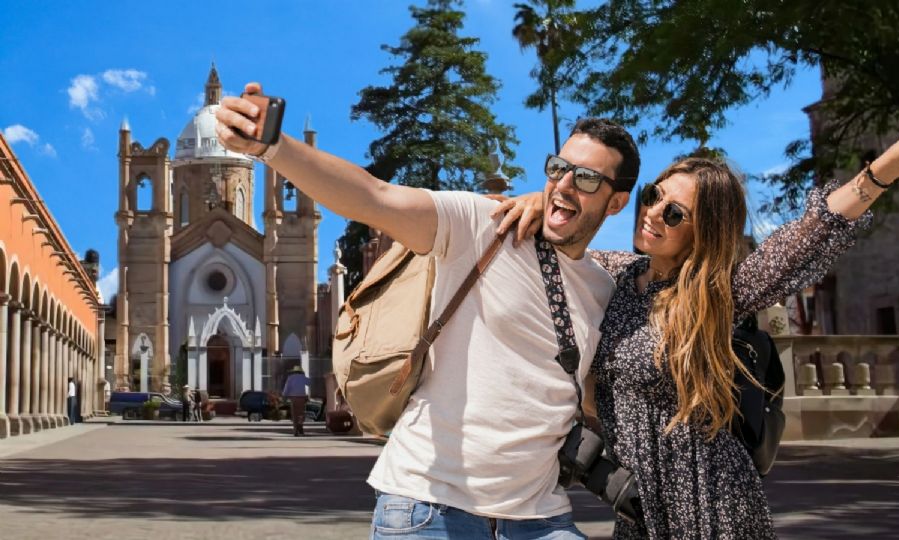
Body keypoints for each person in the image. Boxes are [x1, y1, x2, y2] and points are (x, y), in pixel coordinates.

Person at [496, 84, 899, 538]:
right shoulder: (613, 274)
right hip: (636, 506)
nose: (653, 213)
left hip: (713, 506)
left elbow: (813, 232)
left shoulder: (719, 293)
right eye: (654, 196)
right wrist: (542, 198)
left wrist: (885, 169)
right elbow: (566, 239)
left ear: (703, 230)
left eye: (674, 214)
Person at [217, 82, 637, 539]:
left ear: (616, 202)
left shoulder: (605, 287)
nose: (564, 185)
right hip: (429, 508)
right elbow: (374, 196)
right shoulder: (483, 225)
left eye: (587, 178)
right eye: (559, 169)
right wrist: (275, 147)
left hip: (539, 516)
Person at [282, 365, 310, 436]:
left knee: (294, 415)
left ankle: (295, 430)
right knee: (301, 414)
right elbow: (309, 383)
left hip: (293, 398)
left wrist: (284, 396)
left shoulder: (290, 378)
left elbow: (286, 388)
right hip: (301, 398)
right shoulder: (303, 377)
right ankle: (300, 428)